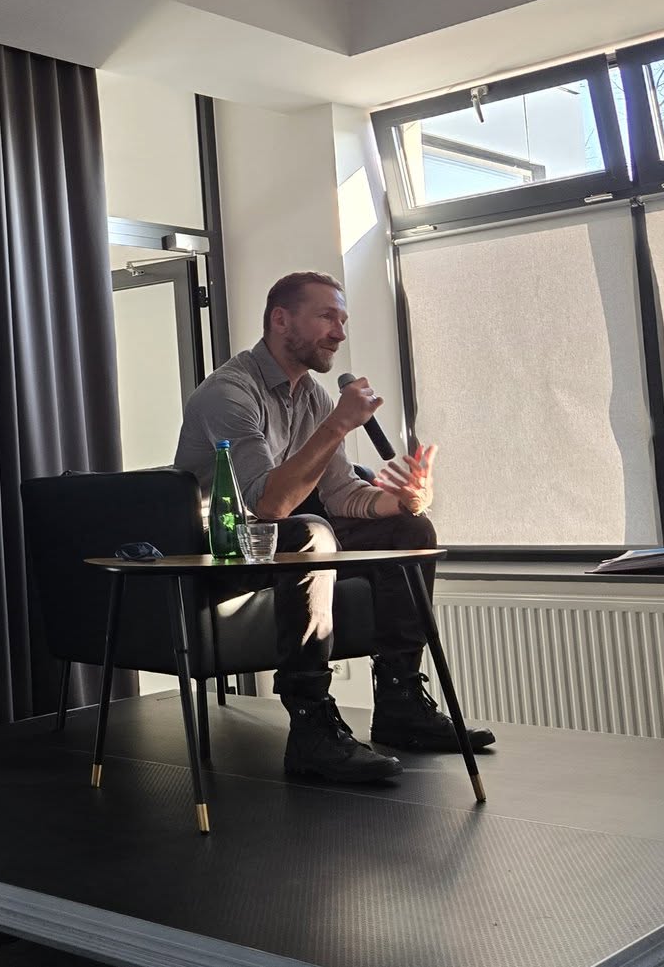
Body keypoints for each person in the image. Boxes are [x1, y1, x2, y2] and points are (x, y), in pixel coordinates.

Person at [174, 271, 496, 783]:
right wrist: (340, 424)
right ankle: (310, 727)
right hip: (219, 549)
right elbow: (269, 505)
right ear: (281, 319)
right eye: (327, 317)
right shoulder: (228, 394)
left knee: (411, 532)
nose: (340, 333)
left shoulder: (313, 397)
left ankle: (400, 701)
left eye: (342, 320)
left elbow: (342, 494)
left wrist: (402, 502)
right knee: (309, 533)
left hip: (276, 539)